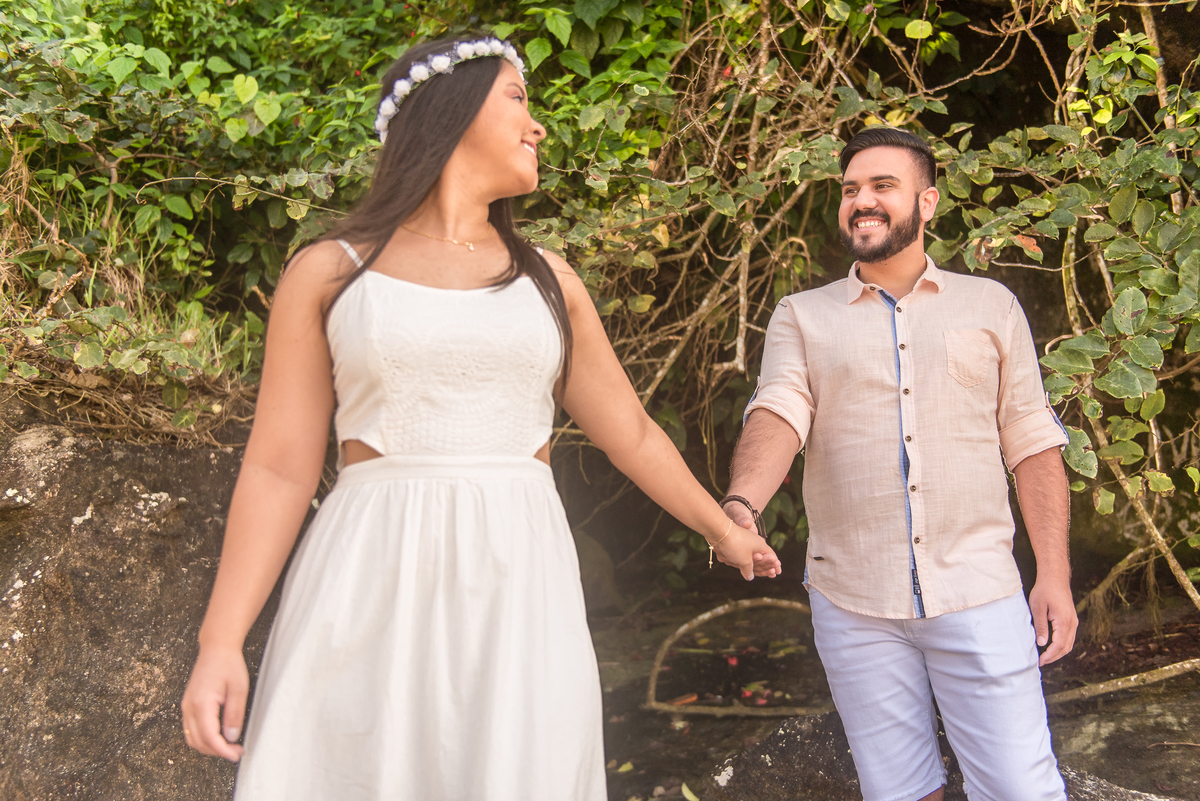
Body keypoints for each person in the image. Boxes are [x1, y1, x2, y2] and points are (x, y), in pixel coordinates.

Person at [180, 35, 781, 800]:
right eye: (519, 100)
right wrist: (220, 640)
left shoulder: (549, 282)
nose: (537, 126)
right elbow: (277, 466)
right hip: (369, 572)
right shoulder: (331, 270)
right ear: (452, 111)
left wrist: (724, 530)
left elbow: (629, 431)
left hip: (518, 578)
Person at [722, 126, 1076, 801]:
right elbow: (778, 415)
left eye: (883, 186)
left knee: (1022, 789)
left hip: (979, 588)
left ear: (928, 200)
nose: (863, 201)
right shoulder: (802, 316)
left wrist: (1053, 574)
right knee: (901, 792)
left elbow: (1032, 444)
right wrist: (742, 505)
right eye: (851, 189)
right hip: (851, 600)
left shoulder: (991, 305)